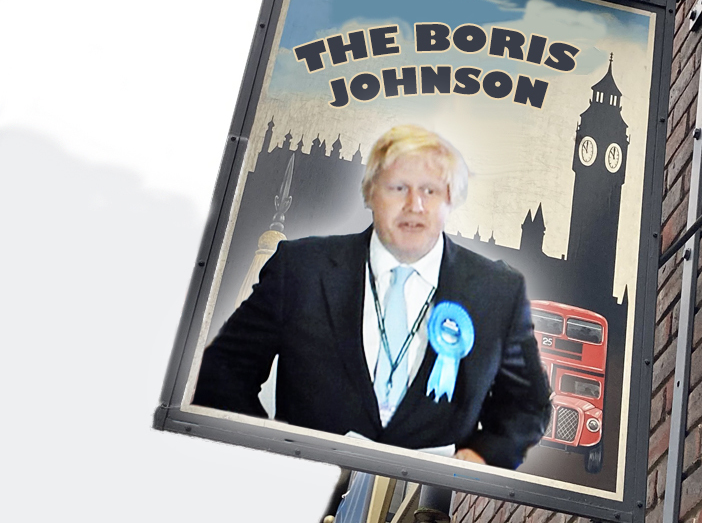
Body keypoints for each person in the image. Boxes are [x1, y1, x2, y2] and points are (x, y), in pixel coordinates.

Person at [193, 124, 551, 469]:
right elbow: (220, 373)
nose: (415, 205)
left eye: (430, 190)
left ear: (450, 200)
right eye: (397, 188)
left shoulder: (499, 291)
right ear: (370, 194)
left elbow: (527, 406)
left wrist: (482, 455)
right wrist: (272, 451)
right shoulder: (299, 269)